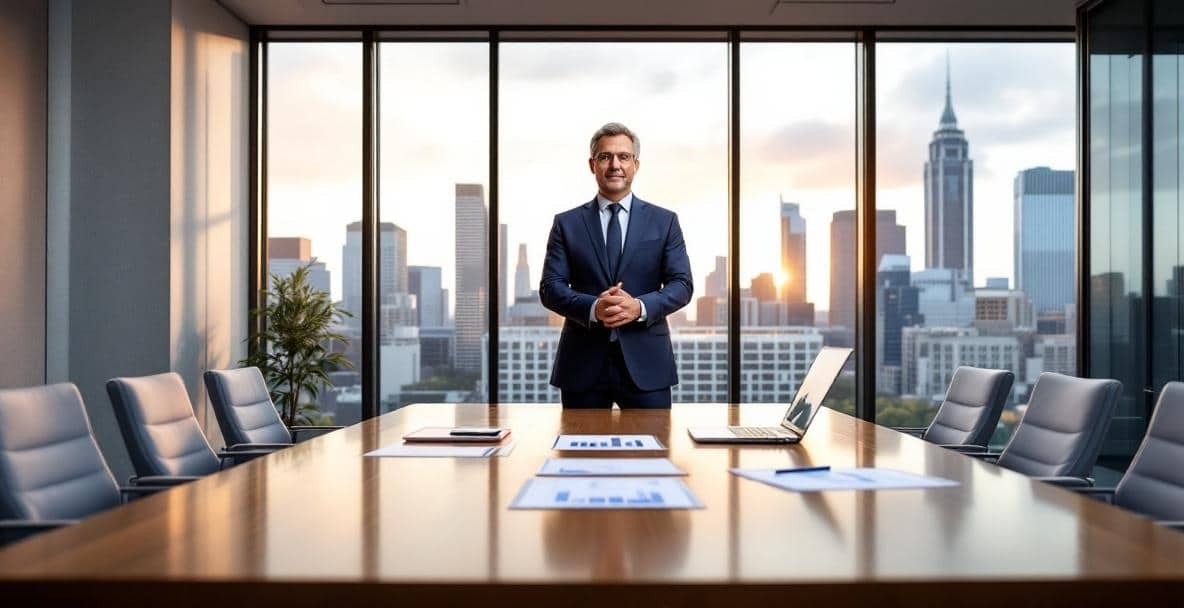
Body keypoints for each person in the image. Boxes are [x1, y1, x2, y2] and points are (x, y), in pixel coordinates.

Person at [539, 122, 693, 409]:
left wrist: (639, 307)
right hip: (582, 365)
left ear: (635, 164)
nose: (614, 165)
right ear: (592, 164)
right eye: (605, 157)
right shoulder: (567, 224)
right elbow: (550, 288)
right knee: (580, 452)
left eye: (623, 157)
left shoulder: (665, 221)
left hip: (648, 365)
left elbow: (682, 285)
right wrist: (593, 309)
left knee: (653, 451)